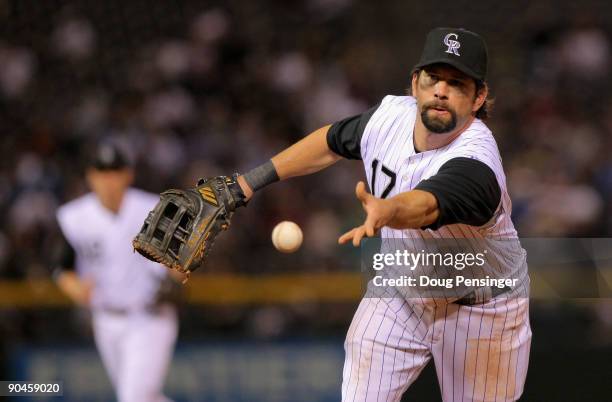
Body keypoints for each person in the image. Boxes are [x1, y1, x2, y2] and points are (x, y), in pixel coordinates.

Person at [228, 27, 531, 401]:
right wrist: (245, 184)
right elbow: (330, 142)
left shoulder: (477, 161)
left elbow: (427, 205)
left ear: (478, 97)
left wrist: (388, 209)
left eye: (457, 83)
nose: (441, 90)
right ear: (415, 83)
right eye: (433, 77)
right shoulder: (388, 118)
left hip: (484, 308)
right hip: (402, 291)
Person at [53, 141, 179, 402]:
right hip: (106, 320)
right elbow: (60, 269)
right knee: (145, 398)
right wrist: (74, 288)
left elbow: (178, 261)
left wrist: (176, 270)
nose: (108, 179)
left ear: (128, 175)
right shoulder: (75, 216)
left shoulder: (154, 209)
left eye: (115, 171)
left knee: (132, 398)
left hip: (149, 318)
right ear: (90, 176)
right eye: (102, 172)